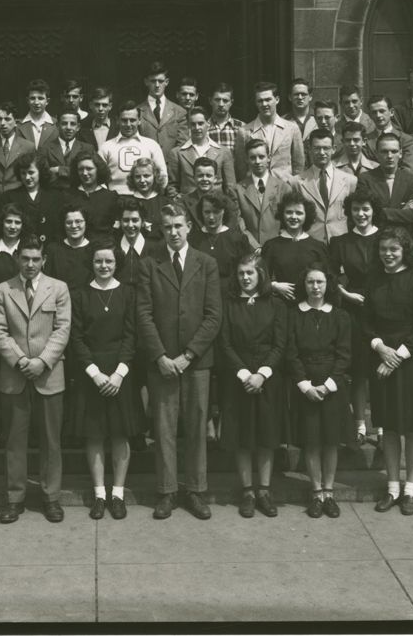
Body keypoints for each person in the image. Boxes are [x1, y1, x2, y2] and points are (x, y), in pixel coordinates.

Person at [136, 204, 222, 520]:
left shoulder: (206, 263)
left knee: (197, 426)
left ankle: (196, 491)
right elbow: (143, 314)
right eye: (168, 227)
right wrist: (160, 356)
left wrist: (188, 355)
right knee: (163, 427)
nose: (173, 232)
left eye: (178, 226)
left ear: (189, 227)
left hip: (196, 362)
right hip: (162, 362)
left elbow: (213, 316)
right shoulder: (149, 264)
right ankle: (167, 491)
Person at [0, 235, 72, 524]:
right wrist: (21, 361)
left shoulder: (58, 288)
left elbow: (62, 329)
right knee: (15, 440)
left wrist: (41, 361)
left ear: (44, 260)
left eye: (35, 259)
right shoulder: (3, 290)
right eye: (24, 259)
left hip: (49, 373)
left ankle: (51, 498)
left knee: (51, 440)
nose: (30, 264)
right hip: (15, 375)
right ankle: (15, 498)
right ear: (17, 259)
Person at [69, 240, 144, 520]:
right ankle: (100, 494)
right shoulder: (80, 295)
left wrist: (118, 374)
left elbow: (131, 336)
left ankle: (118, 494)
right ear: (92, 263)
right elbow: (76, 338)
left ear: (117, 264)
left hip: (120, 373)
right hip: (92, 374)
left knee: (120, 434)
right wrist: (95, 373)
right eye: (99, 261)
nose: (103, 266)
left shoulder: (128, 293)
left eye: (109, 262)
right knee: (95, 434)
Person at [365, 227, 413, 515]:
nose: (388, 254)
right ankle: (392, 488)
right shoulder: (374, 281)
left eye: (394, 249)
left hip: (412, 360)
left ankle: (411, 490)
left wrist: (396, 357)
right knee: (390, 426)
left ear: (405, 250)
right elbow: (366, 321)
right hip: (382, 357)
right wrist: (380, 347)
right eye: (383, 249)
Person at [218, 254, 287, 518]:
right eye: (241, 274)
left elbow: (280, 343)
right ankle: (247, 491)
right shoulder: (229, 304)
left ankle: (264, 491)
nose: (245, 278)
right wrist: (245, 374)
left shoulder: (275, 304)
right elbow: (225, 343)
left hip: (268, 378)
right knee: (243, 437)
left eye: (250, 273)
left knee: (266, 436)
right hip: (239, 378)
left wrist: (262, 374)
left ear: (260, 274)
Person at [287, 266, 353, 519]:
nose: (315, 287)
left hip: (331, 386)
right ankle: (316, 493)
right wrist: (304, 385)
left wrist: (328, 385)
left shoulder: (340, 316)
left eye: (320, 282)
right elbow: (290, 353)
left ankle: (329, 492)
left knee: (330, 441)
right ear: (304, 284)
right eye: (311, 282)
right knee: (312, 441)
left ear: (328, 285)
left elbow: (344, 354)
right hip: (305, 385)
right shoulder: (294, 315)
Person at [329, 188, 383, 446]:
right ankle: (360, 424)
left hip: (384, 309)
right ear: (349, 213)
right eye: (356, 210)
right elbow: (331, 277)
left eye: (366, 209)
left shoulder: (386, 238)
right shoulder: (341, 242)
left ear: (373, 212)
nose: (361, 214)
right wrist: (346, 295)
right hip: (353, 309)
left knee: (381, 369)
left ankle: (383, 426)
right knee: (359, 369)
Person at [259, 190, 330, 302]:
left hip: (310, 305)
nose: (293, 216)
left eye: (299, 213)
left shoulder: (318, 247)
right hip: (281, 305)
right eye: (289, 212)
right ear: (282, 214)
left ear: (307, 215)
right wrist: (274, 286)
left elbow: (328, 279)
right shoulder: (271, 246)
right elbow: (261, 277)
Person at [166, 105, 237, 204]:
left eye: (200, 123)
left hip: (216, 207)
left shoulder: (223, 152)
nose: (197, 128)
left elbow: (230, 187)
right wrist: (180, 203)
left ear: (207, 124)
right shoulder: (177, 153)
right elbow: (172, 186)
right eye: (193, 124)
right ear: (189, 126)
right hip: (188, 208)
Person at [296, 129, 357, 244]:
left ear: (333, 149)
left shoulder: (350, 180)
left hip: (342, 243)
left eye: (326, 148)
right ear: (309, 150)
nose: (322, 152)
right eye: (317, 148)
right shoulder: (297, 182)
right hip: (310, 244)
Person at [357, 133, 413, 233]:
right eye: (384, 152)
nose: (389, 156)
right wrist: (402, 210)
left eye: (394, 151)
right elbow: (364, 213)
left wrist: (382, 212)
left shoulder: (411, 181)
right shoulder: (366, 179)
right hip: (374, 238)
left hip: (402, 239)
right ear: (377, 154)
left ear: (400, 153)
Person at [100, 101, 168, 195]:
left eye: (132, 120)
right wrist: (108, 196)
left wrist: (151, 197)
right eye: (124, 120)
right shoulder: (106, 147)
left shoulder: (151, 145)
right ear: (117, 121)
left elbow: (162, 175)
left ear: (139, 120)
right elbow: (98, 177)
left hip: (145, 200)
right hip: (115, 200)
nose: (128, 124)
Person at [236, 138, 291, 250]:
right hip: (250, 250)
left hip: (279, 248)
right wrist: (254, 246)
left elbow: (289, 220)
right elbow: (238, 222)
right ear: (247, 160)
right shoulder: (238, 189)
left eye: (261, 157)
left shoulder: (283, 188)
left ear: (269, 158)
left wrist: (277, 244)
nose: (257, 161)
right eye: (252, 158)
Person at [244, 82, 304, 177]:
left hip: (285, 186)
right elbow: (242, 168)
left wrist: (293, 184)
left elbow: (299, 164)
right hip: (256, 187)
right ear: (256, 103)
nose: (264, 104)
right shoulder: (244, 131)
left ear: (277, 100)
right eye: (260, 101)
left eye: (268, 100)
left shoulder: (292, 128)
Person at [0, 101, 37, 194]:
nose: (3, 123)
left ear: (16, 122)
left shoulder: (28, 146)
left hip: (18, 195)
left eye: (7, 119)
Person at [188, 191, 252, 279]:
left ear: (224, 212)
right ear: (201, 212)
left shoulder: (237, 239)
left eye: (216, 212)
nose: (211, 217)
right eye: (207, 212)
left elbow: (247, 270)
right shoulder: (193, 240)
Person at [6, 152, 62, 244]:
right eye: (23, 173)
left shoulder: (55, 196)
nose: (27, 177)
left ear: (40, 172)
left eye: (31, 172)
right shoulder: (9, 197)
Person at [135, 61, 187, 162]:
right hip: (146, 167)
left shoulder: (179, 112)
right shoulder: (137, 111)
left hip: (172, 168)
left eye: (160, 81)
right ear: (146, 82)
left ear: (167, 82)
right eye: (153, 81)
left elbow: (182, 144)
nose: (157, 85)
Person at [41, 104, 95, 190]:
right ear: (57, 125)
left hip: (80, 195)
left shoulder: (87, 148)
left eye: (73, 124)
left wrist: (59, 170)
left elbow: (91, 175)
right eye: (64, 123)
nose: (68, 127)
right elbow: (44, 176)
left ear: (78, 127)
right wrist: (75, 173)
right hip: (53, 196)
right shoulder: (45, 148)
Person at [67, 150, 120, 236]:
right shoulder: (68, 195)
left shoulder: (111, 197)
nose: (84, 173)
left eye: (89, 169)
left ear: (98, 170)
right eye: (81, 169)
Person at [43, 205, 93, 291]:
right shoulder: (53, 249)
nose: (73, 226)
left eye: (78, 221)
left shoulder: (94, 250)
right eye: (69, 222)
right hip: (59, 300)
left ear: (86, 223)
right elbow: (47, 282)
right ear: (63, 224)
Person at [207, 82, 250, 180]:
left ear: (231, 102)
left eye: (225, 100)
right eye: (217, 100)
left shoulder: (242, 128)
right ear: (210, 101)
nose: (221, 104)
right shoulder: (203, 128)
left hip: (237, 182)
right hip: (211, 183)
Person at [113, 198, 160, 287]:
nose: (130, 225)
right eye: (126, 220)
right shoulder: (114, 248)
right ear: (121, 222)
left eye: (135, 220)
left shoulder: (154, 249)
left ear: (142, 222)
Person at [364, 94, 413, 173]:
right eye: (374, 112)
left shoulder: (406, 140)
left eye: (382, 111)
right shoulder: (366, 140)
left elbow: (408, 171)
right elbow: (365, 169)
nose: (378, 115)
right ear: (370, 115)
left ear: (391, 112)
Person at [125, 157, 167, 241]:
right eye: (137, 176)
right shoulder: (125, 203)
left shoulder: (165, 203)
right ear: (132, 178)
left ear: (155, 176)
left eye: (146, 176)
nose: (142, 180)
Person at [0, 203, 28, 286]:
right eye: (8, 221)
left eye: (17, 222)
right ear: (1, 223)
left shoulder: (27, 249)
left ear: (23, 225)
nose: (12, 226)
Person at [16, 79, 58, 150]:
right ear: (27, 100)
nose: (36, 102)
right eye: (32, 98)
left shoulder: (57, 125)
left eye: (40, 98)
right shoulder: (18, 126)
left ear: (47, 101)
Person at [282, 78, 316, 145]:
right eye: (296, 94)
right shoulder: (282, 121)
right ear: (290, 97)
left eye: (303, 94)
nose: (300, 97)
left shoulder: (319, 118)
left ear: (310, 97)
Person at [171, 76, 202, 146]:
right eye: (184, 94)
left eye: (191, 95)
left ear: (197, 96)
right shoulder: (170, 118)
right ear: (177, 95)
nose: (188, 98)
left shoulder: (203, 119)